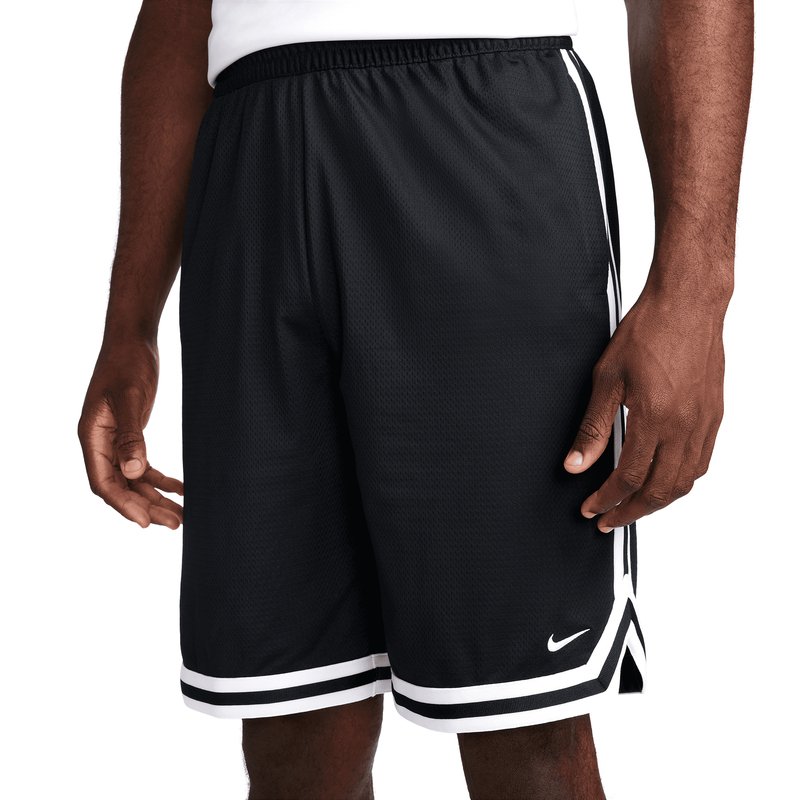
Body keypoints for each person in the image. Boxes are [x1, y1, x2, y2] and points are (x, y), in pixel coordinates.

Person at [77, 0, 753, 797]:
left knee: (521, 719)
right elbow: (179, 15)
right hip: (251, 156)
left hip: (477, 123)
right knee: (290, 723)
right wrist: (130, 326)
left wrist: (695, 292)